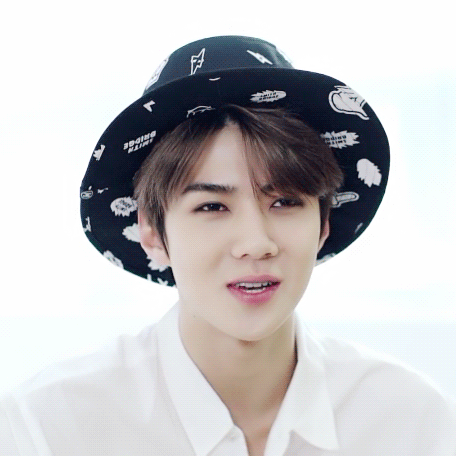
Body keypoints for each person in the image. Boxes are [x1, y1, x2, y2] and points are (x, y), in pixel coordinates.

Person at [1, 35, 455, 456]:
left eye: (285, 202)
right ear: (152, 233)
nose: (256, 244)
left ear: (323, 225)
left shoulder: (409, 419)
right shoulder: (52, 426)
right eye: (212, 206)